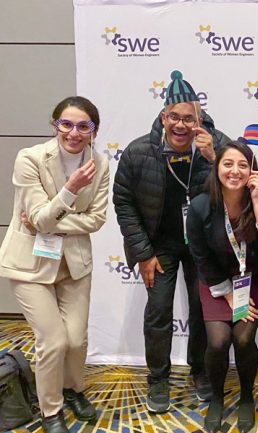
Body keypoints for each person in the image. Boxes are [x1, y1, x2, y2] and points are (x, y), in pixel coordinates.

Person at [113, 70, 230, 413]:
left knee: (202, 311)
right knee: (159, 310)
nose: (181, 126)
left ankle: (201, 373)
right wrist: (143, 254)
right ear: (163, 116)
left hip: (202, 245)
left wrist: (212, 158)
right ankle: (158, 378)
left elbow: (239, 187)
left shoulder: (218, 145)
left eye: (188, 118)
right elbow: (124, 202)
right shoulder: (138, 152)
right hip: (158, 246)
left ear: (200, 117)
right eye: (174, 117)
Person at [0, 97, 109, 433]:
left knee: (76, 340)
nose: (73, 132)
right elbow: (37, 219)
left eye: (82, 126)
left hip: (74, 264)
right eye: (66, 124)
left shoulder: (100, 164)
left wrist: (51, 219)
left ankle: (71, 389)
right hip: (30, 266)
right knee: (54, 340)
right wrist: (70, 190)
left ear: (94, 131)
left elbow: (96, 220)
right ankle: (51, 410)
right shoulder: (29, 159)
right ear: (55, 125)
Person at [187, 138, 258, 433]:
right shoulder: (201, 205)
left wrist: (257, 200)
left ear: (252, 170)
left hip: (253, 276)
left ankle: (246, 396)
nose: (235, 171)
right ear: (217, 167)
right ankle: (217, 398)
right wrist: (227, 292)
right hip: (216, 278)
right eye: (228, 163)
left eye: (243, 165)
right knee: (218, 341)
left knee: (243, 339)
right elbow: (200, 256)